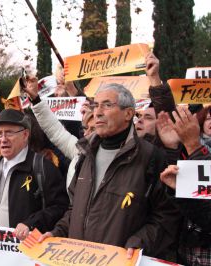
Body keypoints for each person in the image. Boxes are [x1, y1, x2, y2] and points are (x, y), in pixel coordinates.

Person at [39, 83, 180, 259]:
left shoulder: (151, 157)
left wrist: (139, 242)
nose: (97, 112)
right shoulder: (85, 154)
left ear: (128, 114)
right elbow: (74, 209)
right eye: (95, 105)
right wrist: (57, 232)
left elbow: (166, 215)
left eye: (107, 105)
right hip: (79, 260)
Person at [0, 109, 69, 240]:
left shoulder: (42, 167)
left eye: (9, 133)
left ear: (25, 135)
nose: (3, 139)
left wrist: (30, 224)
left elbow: (59, 207)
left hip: (27, 252)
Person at [157, 106, 211, 265]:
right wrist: (173, 148)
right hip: (188, 254)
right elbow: (197, 207)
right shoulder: (188, 148)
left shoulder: (193, 146)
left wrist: (193, 146)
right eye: (208, 118)